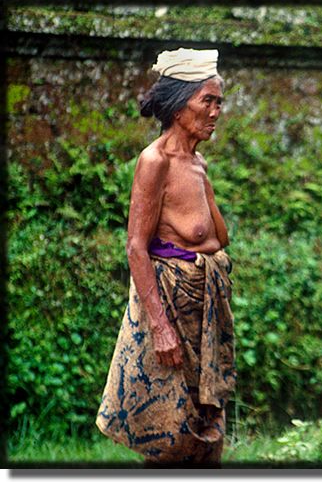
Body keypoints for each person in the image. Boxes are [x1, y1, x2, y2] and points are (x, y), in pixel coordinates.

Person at [96, 48, 236, 467]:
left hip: (202, 308)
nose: (215, 112)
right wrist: (160, 328)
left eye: (219, 103)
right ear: (179, 106)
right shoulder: (153, 161)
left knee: (207, 423)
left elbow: (217, 237)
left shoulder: (197, 163)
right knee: (171, 429)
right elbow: (136, 246)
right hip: (170, 307)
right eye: (206, 101)